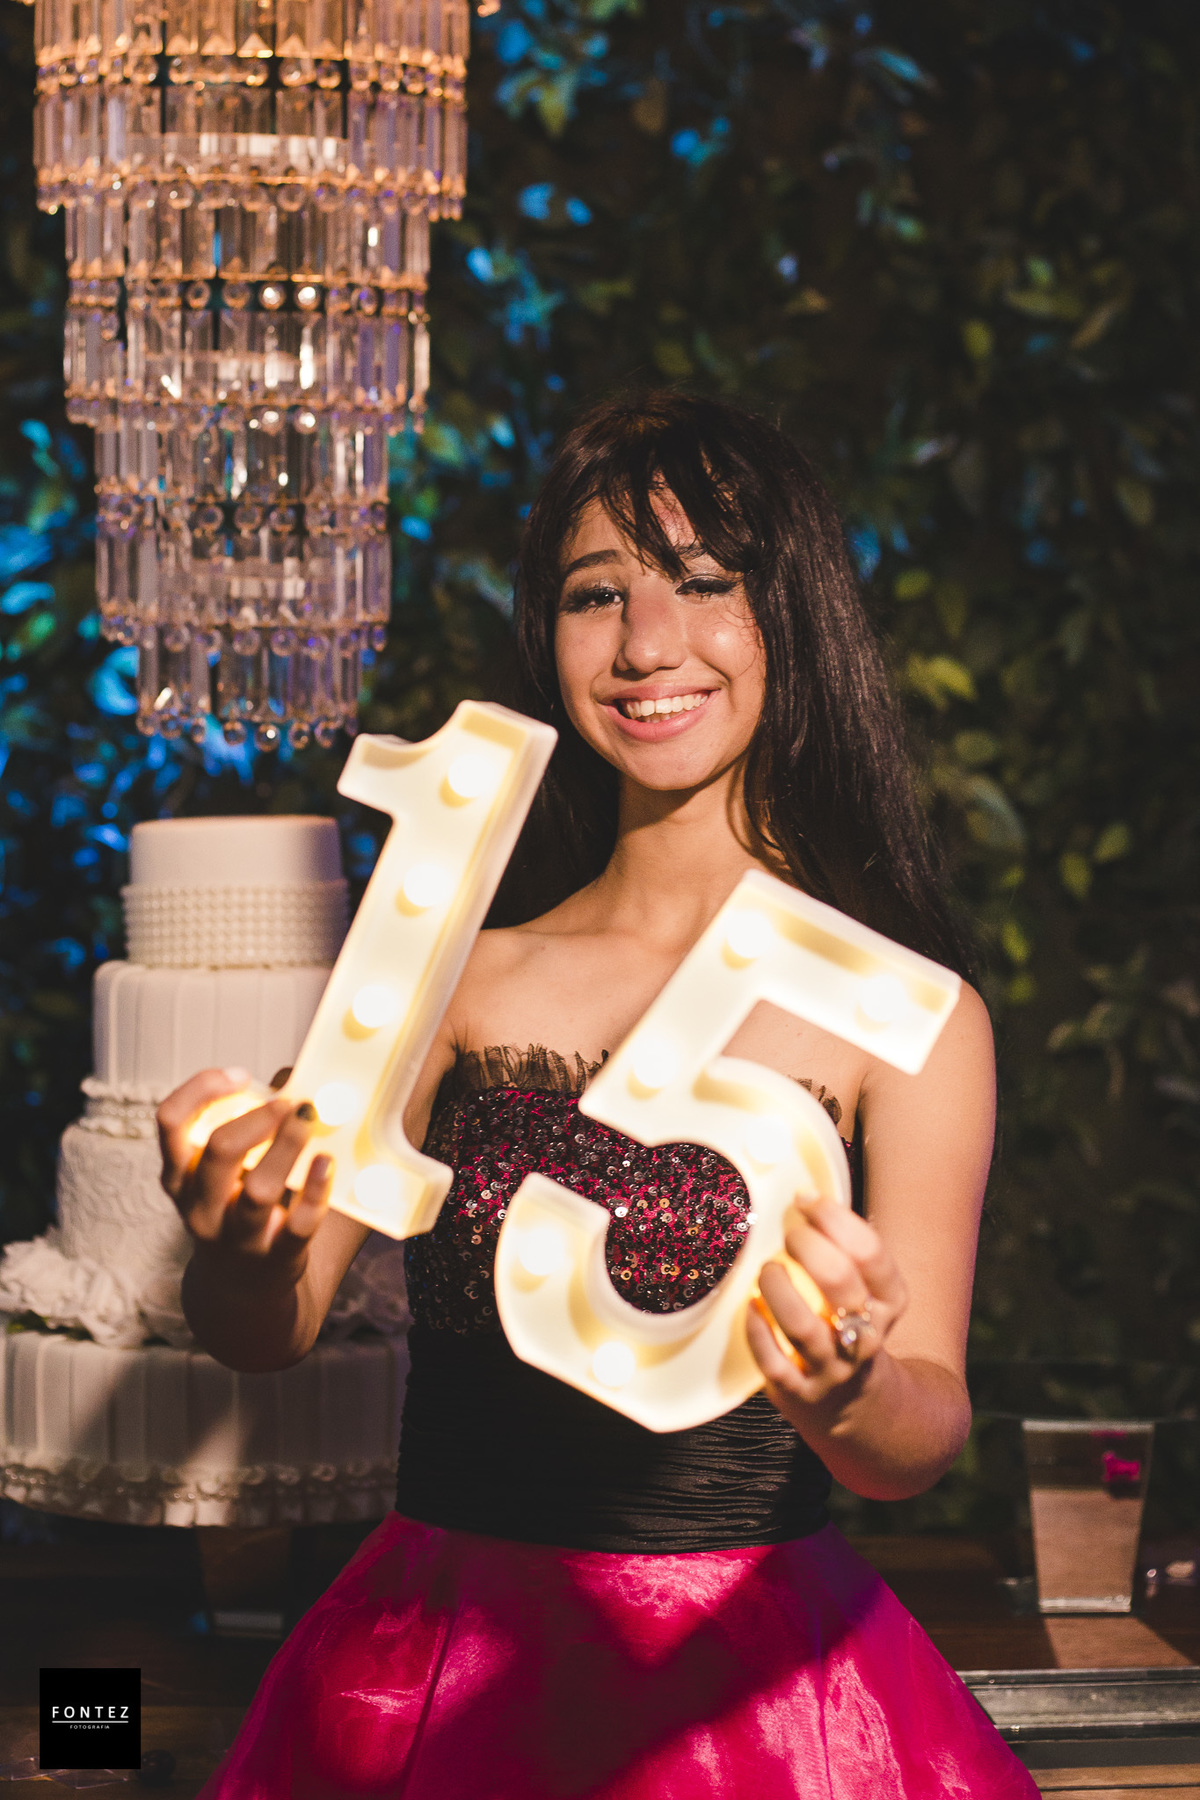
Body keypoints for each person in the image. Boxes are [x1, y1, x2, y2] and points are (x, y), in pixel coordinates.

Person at [161, 394, 1039, 1798]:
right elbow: (263, 1334)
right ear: (548, 634)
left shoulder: (912, 1020)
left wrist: (851, 1388)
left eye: (706, 582)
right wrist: (239, 1246)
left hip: (755, 1698)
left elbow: (918, 1436)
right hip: (436, 1666)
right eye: (595, 594)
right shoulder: (447, 974)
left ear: (791, 615)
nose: (646, 644)